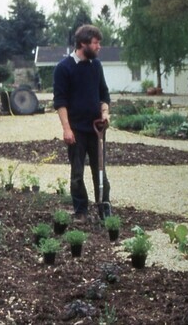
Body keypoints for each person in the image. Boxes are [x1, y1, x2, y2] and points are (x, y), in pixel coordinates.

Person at [52, 24, 111, 224]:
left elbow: (103, 94)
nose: (99, 47)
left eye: (99, 43)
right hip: (76, 130)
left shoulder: (96, 66)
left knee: (100, 171)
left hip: (97, 129)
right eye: (95, 43)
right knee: (77, 173)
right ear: (83, 44)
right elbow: (60, 102)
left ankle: (104, 207)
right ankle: (81, 211)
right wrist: (67, 129)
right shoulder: (64, 68)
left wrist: (105, 112)